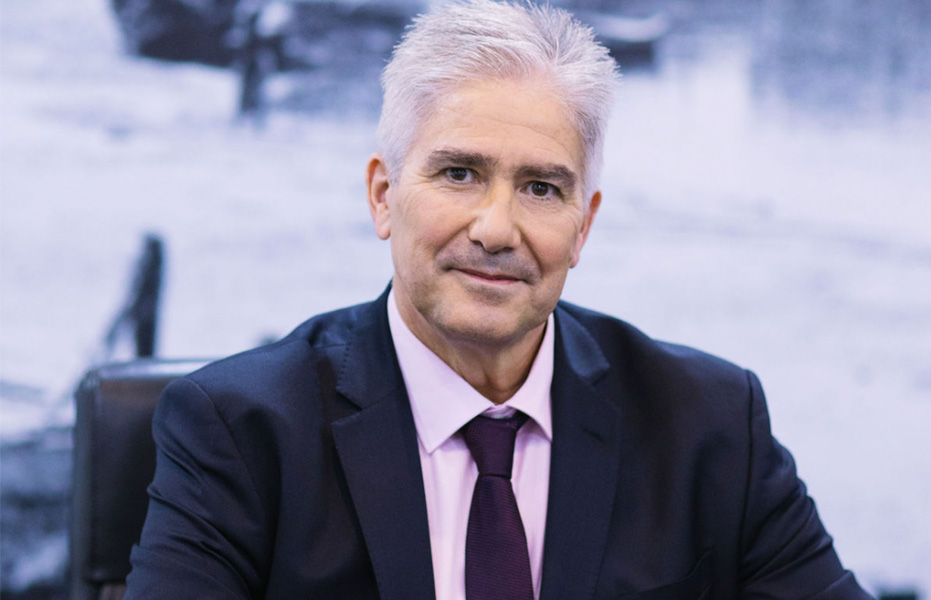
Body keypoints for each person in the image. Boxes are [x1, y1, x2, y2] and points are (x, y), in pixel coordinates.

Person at [124, 1, 873, 599]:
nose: (495, 229)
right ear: (383, 196)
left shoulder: (711, 424)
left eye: (541, 188)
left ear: (583, 226)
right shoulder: (238, 431)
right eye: (459, 174)